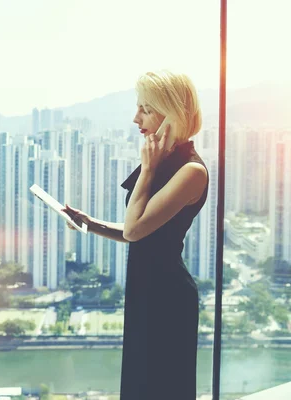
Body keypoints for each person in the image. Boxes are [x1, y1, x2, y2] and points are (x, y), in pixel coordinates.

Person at [62, 70, 209, 399]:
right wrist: (91, 223)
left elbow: (135, 228)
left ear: (170, 113)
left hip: (168, 297)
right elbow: (139, 233)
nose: (135, 118)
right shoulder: (166, 162)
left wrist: (146, 169)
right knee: (140, 384)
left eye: (145, 108)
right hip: (147, 289)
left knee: (161, 386)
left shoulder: (191, 171)